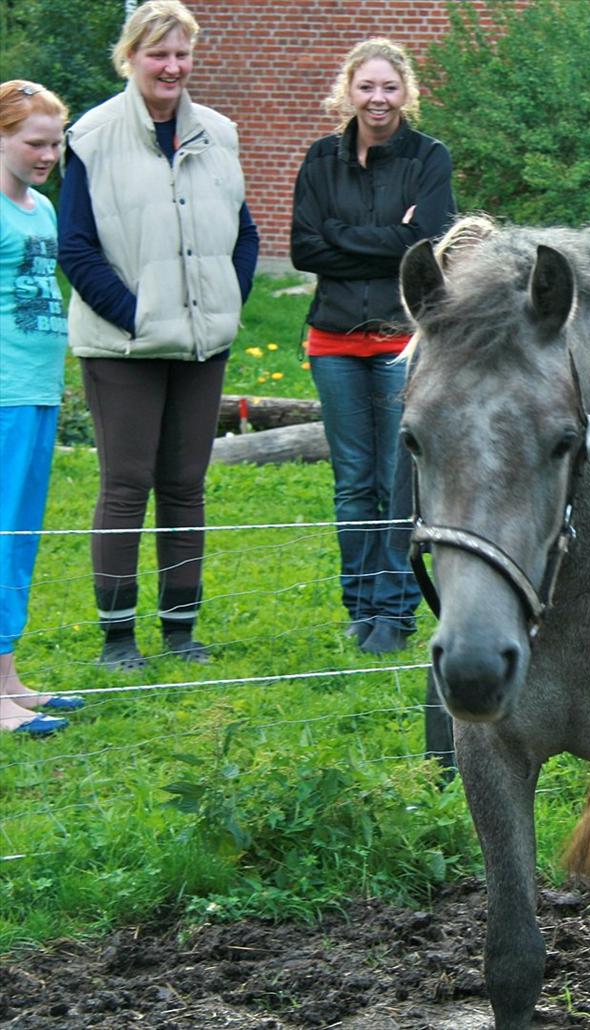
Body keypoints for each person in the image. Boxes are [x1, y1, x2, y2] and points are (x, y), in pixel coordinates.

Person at [57, 0, 259, 671]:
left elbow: (244, 234)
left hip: (204, 343)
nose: (171, 67)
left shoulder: (221, 134)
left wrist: (224, 304)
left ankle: (180, 630)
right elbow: (78, 248)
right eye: (157, 54)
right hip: (125, 347)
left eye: (181, 54)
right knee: (126, 483)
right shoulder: (90, 136)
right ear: (131, 57)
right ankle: (118, 638)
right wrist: (139, 316)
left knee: (184, 484)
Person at [291, 38, 456, 654]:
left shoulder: (428, 158)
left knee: (397, 479)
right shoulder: (321, 159)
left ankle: (394, 610)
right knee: (353, 479)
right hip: (332, 338)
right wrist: (390, 236)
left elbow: (429, 242)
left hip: (400, 341)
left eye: (389, 87)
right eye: (367, 87)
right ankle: (359, 604)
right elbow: (305, 247)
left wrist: (341, 234)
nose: (378, 98)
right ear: (349, 92)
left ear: (405, 91)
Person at [0, 80, 84, 736]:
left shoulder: (43, 211)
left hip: (38, 392)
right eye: (34, 142)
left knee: (19, 541)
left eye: (55, 142)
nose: (47, 153)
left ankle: (8, 678)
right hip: (3, 397)